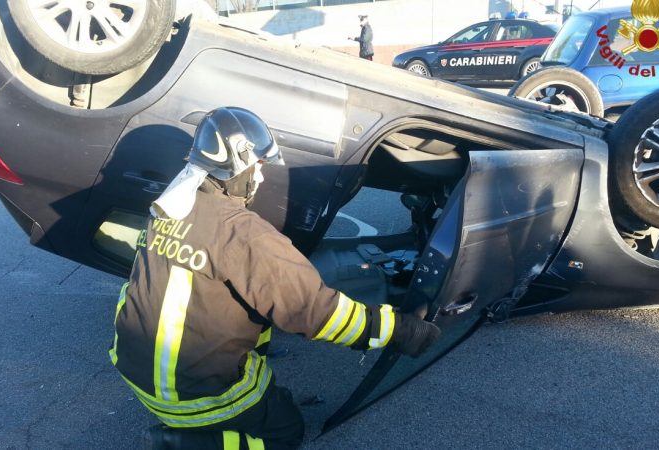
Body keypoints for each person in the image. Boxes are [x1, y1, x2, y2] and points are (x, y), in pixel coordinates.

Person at [110, 107, 441, 450]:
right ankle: (180, 443)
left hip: (136, 372)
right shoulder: (243, 234)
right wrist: (400, 331)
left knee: (269, 394)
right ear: (239, 163)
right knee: (285, 434)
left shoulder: (170, 208)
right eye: (260, 166)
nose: (262, 178)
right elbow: (317, 312)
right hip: (191, 395)